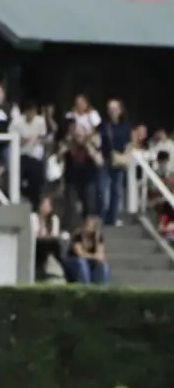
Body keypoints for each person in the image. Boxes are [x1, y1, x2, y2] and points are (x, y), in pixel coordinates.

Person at [97, 99, 131, 227]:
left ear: (120, 111)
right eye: (110, 109)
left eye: (115, 109)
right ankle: (103, 216)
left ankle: (112, 217)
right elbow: (96, 140)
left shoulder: (126, 126)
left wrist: (127, 156)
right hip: (105, 160)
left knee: (116, 191)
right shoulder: (103, 125)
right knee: (103, 189)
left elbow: (129, 143)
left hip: (119, 160)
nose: (112, 112)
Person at [65, 216, 109, 285]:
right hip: (74, 261)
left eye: (92, 226)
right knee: (82, 263)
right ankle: (86, 287)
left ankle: (102, 289)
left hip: (90, 262)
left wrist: (96, 239)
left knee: (103, 265)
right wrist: (94, 256)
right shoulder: (78, 235)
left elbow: (101, 255)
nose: (89, 228)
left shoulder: (98, 236)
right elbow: (80, 254)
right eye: (88, 225)